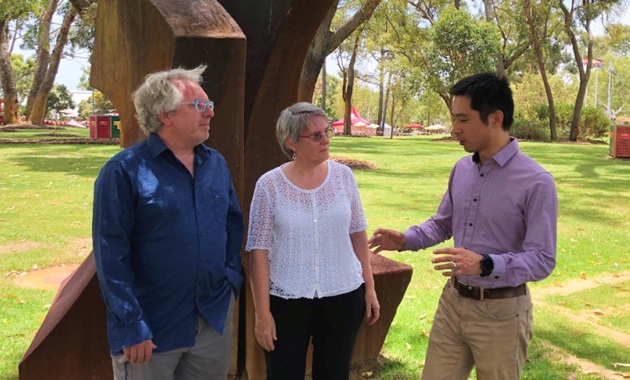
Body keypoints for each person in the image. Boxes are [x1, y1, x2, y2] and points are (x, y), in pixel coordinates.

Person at [368, 73, 558, 379]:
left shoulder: (536, 182)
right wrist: (405, 239)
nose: (455, 129)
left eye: (463, 120)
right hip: (453, 303)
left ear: (495, 118)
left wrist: (484, 264)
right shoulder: (462, 169)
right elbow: (442, 224)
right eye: (453, 119)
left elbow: (542, 259)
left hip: (503, 314)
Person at [92, 65, 244, 380]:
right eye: (199, 106)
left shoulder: (215, 163)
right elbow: (111, 255)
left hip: (211, 324)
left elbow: (232, 225)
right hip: (150, 328)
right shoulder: (122, 172)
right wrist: (131, 324)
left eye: (209, 105)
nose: (210, 113)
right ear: (165, 115)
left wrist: (229, 285)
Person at [246, 102, 380, 379]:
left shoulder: (344, 177)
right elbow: (257, 252)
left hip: (344, 294)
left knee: (334, 373)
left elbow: (357, 231)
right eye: (316, 135)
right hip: (286, 299)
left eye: (326, 131)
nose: (326, 139)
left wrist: (369, 287)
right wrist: (262, 313)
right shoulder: (269, 185)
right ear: (291, 142)